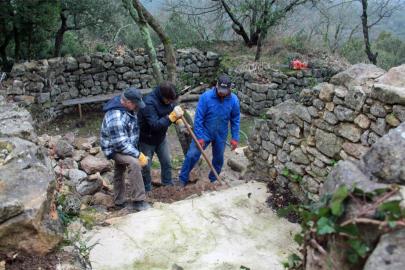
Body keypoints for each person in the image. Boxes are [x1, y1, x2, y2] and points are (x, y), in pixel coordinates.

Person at [179, 74, 240, 186]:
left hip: (221, 133)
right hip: (205, 131)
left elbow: (235, 120)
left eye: (225, 90)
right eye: (220, 89)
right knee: (192, 155)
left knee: (218, 158)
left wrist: (235, 137)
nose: (222, 92)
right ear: (216, 85)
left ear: (230, 88)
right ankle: (182, 179)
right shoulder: (206, 97)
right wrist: (199, 136)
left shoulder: (234, 100)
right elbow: (198, 118)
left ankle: (213, 179)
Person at [100, 87, 151, 211]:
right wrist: (138, 155)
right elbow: (120, 144)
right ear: (128, 102)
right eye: (136, 104)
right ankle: (139, 201)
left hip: (124, 145)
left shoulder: (126, 107)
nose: (137, 107)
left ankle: (119, 201)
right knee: (134, 163)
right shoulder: (115, 115)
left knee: (119, 169)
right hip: (114, 148)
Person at [138, 81, 184, 192]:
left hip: (160, 138)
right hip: (146, 139)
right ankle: (147, 189)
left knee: (167, 162)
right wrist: (171, 118)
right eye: (169, 100)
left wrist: (179, 121)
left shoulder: (169, 99)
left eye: (172, 101)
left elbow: (171, 109)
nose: (170, 103)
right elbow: (155, 125)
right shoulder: (148, 103)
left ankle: (167, 184)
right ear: (163, 96)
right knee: (146, 166)